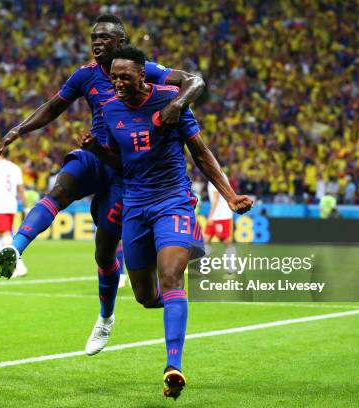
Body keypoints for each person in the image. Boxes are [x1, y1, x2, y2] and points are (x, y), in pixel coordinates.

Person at [0, 14, 205, 356]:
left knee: (105, 252)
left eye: (105, 38)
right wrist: (19, 129)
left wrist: (177, 104)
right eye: (94, 37)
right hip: (95, 154)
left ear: (121, 43)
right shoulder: (85, 75)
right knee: (60, 189)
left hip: (126, 172)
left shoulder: (143, 70)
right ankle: (16, 248)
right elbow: (54, 107)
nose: (96, 42)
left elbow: (194, 81)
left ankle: (106, 318)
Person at [77, 46, 253, 399]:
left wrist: (230, 195)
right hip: (135, 206)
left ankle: (173, 366)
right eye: (113, 77)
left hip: (173, 200)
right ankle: (177, 304)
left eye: (124, 76)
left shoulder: (170, 100)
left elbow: (200, 152)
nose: (118, 83)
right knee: (145, 295)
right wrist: (97, 151)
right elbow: (119, 160)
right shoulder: (110, 110)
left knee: (171, 275)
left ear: (143, 74)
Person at [204, 176, 236, 264]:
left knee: (227, 242)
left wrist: (210, 216)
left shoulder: (215, 177)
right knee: (206, 240)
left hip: (222, 215)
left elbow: (215, 199)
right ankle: (203, 265)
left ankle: (231, 266)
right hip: (218, 215)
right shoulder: (218, 175)